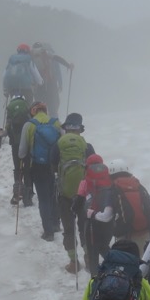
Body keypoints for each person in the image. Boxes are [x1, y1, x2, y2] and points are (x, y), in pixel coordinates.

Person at [51, 113, 95, 273]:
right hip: (83, 195)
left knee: (69, 229)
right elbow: (94, 168)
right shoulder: (87, 146)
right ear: (80, 130)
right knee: (84, 226)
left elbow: (53, 166)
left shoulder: (58, 145)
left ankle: (73, 262)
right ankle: (89, 257)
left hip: (64, 194)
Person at [19, 102, 61, 241]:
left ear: (34, 111)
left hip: (38, 166)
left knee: (43, 199)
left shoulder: (29, 125)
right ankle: (56, 224)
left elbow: (21, 152)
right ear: (46, 110)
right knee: (54, 194)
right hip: (55, 165)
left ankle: (48, 232)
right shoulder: (56, 123)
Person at [73, 154, 115, 275]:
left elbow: (79, 203)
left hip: (91, 223)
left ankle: (95, 280)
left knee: (93, 253)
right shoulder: (109, 179)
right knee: (104, 246)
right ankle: (115, 268)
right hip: (108, 221)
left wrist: (74, 209)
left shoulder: (85, 182)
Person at [108, 159, 150, 254]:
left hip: (124, 234)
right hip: (145, 231)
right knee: (144, 262)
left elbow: (107, 215)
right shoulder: (139, 186)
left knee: (127, 262)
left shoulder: (113, 189)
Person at [0, 94, 33, 206]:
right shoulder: (26, 106)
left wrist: (2, 133)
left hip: (15, 144)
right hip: (27, 144)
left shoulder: (10, 108)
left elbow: (7, 127)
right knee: (27, 168)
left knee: (17, 168)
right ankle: (28, 197)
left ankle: (17, 193)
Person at [31, 42, 74, 118]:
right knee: (53, 108)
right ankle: (54, 125)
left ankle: (39, 125)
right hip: (50, 85)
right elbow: (57, 59)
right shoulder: (46, 54)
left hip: (38, 87)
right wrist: (68, 65)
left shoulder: (30, 57)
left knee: (39, 108)